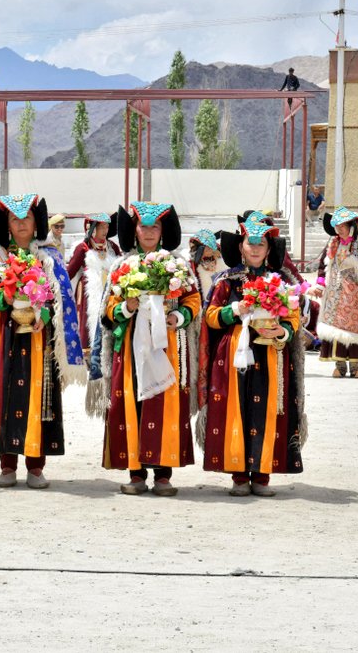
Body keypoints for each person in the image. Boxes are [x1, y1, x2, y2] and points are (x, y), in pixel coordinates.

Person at [0, 194, 84, 488]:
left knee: (38, 397)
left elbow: (63, 298)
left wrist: (41, 308)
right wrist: (4, 298)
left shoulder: (50, 256)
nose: (21, 225)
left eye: (26, 218)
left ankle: (35, 466)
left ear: (36, 222)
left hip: (39, 339)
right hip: (2, 337)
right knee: (2, 395)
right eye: (15, 219)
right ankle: (7, 465)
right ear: (6, 223)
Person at [89, 203, 201, 496]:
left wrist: (178, 316)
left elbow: (193, 301)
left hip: (167, 346)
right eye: (143, 226)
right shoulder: (121, 266)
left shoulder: (178, 265)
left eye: (155, 227)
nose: (149, 232)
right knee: (133, 402)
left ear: (164, 230)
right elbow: (107, 308)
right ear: (134, 230)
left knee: (163, 404)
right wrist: (126, 307)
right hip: (130, 350)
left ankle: (164, 474)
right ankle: (135, 473)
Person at [199, 219, 306, 497]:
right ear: (241, 247)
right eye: (251, 243)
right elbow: (210, 317)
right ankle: (237, 475)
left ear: (270, 248)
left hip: (271, 355)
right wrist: (235, 309)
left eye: (262, 243)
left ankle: (262, 474)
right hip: (234, 356)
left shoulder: (280, 281)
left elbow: (293, 317)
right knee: (237, 409)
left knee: (266, 410)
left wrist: (282, 330)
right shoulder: (226, 281)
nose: (256, 248)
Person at [309, 207, 358, 378]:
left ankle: (355, 366)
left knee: (354, 328)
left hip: (355, 295)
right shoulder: (333, 243)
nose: (339, 229)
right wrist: (320, 285)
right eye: (336, 226)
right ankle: (340, 366)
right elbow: (323, 267)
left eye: (342, 226)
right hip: (335, 293)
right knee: (335, 328)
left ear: (351, 226)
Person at [66, 212, 121, 355]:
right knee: (89, 325)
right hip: (89, 295)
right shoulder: (83, 248)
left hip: (109, 293)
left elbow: (121, 267)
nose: (105, 231)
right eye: (102, 227)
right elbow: (69, 272)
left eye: (107, 227)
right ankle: (88, 355)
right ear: (92, 228)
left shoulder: (112, 247)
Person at [188, 228, 227, 302]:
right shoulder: (192, 265)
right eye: (206, 247)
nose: (209, 249)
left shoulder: (220, 261)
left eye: (210, 247)